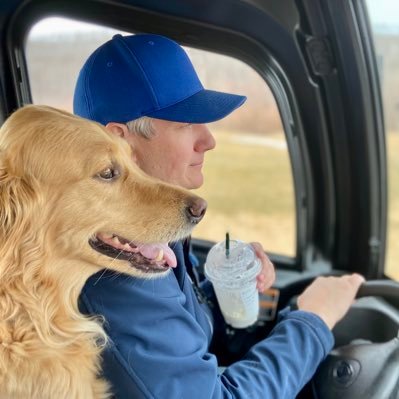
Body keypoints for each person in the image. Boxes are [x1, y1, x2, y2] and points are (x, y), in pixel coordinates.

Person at [74, 33, 364, 398]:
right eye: (185, 124)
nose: (208, 140)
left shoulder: (153, 230)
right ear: (121, 142)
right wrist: (314, 320)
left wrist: (226, 285)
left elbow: (177, 322)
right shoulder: (115, 271)